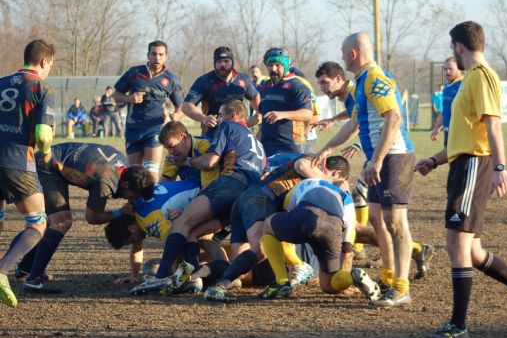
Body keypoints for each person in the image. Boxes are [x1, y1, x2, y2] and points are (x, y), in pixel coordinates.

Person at [415, 21, 507, 338]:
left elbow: (493, 126)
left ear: (459, 46)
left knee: (455, 243)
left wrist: (501, 167)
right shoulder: (470, 78)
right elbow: (464, 137)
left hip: (474, 165)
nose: (451, 55)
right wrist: (434, 160)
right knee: (471, 251)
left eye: (451, 48)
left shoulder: (482, 75)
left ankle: (458, 324)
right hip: (463, 164)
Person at [314, 33, 419, 308]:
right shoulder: (360, 83)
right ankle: (388, 277)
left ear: (352, 54)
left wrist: (378, 160)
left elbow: (394, 117)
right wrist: (326, 149)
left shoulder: (374, 77)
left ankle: (401, 287)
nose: (340, 56)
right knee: (376, 218)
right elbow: (353, 125)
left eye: (341, 51)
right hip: (379, 158)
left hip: (394, 156)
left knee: (396, 222)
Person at [130, 100, 265, 295]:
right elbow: (165, 183)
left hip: (230, 184)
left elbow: (211, 162)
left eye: (220, 114)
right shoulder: (256, 143)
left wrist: (188, 163)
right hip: (248, 195)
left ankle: (161, 277)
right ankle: (200, 278)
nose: (216, 119)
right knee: (194, 233)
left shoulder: (223, 129)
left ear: (233, 116)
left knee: (182, 223)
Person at [315, 61, 435, 277]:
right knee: (375, 216)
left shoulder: (356, 90)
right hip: (375, 156)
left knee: (378, 213)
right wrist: (333, 120)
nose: (322, 88)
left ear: (339, 79)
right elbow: (355, 117)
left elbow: (367, 121)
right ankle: (409, 253)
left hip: (386, 155)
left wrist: (355, 144)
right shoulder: (351, 95)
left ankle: (396, 261)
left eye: (325, 82)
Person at [203, 154, 350, 302]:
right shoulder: (312, 161)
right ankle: (217, 287)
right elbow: (301, 166)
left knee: (240, 268)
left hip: (244, 201)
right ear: (335, 173)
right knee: (260, 250)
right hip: (261, 199)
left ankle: (206, 277)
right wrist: (332, 183)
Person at [16, 142, 155, 292]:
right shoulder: (105, 183)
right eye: (132, 196)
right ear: (126, 185)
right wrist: (119, 212)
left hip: (53, 156)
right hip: (46, 165)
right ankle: (33, 280)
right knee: (62, 222)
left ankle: (25, 268)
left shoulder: (126, 168)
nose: (131, 200)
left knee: (52, 221)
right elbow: (91, 218)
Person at [258, 178, 380, 301]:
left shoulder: (307, 182)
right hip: (332, 231)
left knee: (268, 226)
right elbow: (347, 251)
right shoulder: (349, 204)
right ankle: (352, 277)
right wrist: (344, 282)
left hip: (307, 217)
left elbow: (284, 225)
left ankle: (281, 282)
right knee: (327, 286)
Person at [0, 39, 55, 307]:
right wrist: (46, 151)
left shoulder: (0, 82)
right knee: (37, 222)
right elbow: (43, 133)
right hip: (17, 162)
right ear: (44, 61)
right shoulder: (42, 88)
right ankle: (2, 271)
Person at [104, 180, 224, 287]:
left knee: (197, 237)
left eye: (131, 240)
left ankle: (223, 272)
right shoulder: (138, 208)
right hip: (208, 191)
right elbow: (137, 247)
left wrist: (172, 274)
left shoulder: (150, 220)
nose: (135, 242)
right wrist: (134, 276)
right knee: (194, 237)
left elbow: (175, 242)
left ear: (131, 228)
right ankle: (221, 269)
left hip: (212, 197)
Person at [113, 40, 184, 183]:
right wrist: (129, 98)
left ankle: (152, 204)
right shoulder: (134, 73)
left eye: (160, 54)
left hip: (155, 129)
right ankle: (135, 205)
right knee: (135, 176)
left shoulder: (172, 79)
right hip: (133, 129)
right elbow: (115, 96)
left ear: (166, 57)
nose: (157, 57)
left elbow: (181, 106)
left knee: (151, 174)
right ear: (148, 55)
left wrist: (176, 115)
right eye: (154, 54)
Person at [182, 46, 260, 137]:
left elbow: (255, 96)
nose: (222, 65)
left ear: (232, 62)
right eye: (219, 62)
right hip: (211, 134)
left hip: (237, 134)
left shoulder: (243, 79)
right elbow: (186, 106)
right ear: (214, 63)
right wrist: (204, 118)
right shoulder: (204, 81)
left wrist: (256, 116)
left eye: (226, 61)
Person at [257, 48, 314, 156]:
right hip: (266, 147)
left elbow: (307, 114)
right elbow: (262, 120)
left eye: (278, 65)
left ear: (286, 65)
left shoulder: (298, 86)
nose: (273, 69)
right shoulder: (265, 86)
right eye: (270, 65)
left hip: (290, 147)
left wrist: (282, 114)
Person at [158, 120, 219, 186]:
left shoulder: (204, 145)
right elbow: (164, 183)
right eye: (167, 148)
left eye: (171, 146)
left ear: (184, 138)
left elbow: (210, 162)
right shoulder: (172, 155)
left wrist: (187, 161)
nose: (170, 151)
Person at [431, 57, 462, 146]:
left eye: (450, 69)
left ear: (459, 68)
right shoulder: (447, 87)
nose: (447, 71)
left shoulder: (463, 85)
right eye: (445, 69)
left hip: (461, 135)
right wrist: (436, 128)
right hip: (448, 132)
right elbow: (444, 111)